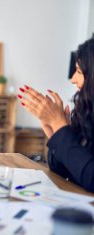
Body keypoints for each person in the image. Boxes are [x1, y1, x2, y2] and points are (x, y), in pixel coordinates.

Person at [18, 37, 94, 192]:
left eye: (79, 71)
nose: (73, 79)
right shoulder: (88, 111)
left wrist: (60, 128)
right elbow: (62, 171)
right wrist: (58, 135)